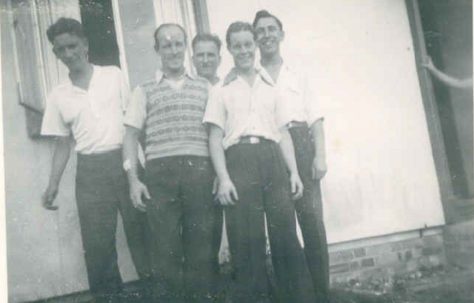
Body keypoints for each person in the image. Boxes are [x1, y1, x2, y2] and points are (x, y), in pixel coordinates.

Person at [204, 21, 316, 303]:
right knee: (246, 241)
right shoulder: (221, 89)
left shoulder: (270, 85)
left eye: (247, 44)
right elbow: (215, 138)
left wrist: (293, 173)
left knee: (286, 237)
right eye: (237, 45)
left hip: (271, 160)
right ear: (229, 49)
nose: (243, 50)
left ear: (254, 45)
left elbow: (282, 133)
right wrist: (225, 177)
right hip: (239, 160)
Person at [41, 17, 151, 302]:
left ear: (85, 45)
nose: (68, 54)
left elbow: (134, 125)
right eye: (61, 50)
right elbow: (62, 143)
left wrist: (143, 167)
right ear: (55, 54)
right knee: (98, 246)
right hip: (89, 172)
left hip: (125, 164)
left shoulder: (113, 75)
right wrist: (52, 184)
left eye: (73, 46)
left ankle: (157, 295)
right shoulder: (58, 95)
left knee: (143, 236)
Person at [123, 23, 218, 302]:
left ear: (185, 47)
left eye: (178, 44)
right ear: (157, 50)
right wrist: (133, 180)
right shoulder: (144, 90)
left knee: (201, 249)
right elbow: (129, 137)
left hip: (199, 172)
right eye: (167, 45)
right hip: (159, 175)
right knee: (165, 251)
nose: (174, 50)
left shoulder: (205, 88)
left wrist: (216, 172)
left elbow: (215, 134)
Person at [252, 10, 330, 302]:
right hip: (270, 148)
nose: (267, 35)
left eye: (272, 29)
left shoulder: (298, 73)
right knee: (281, 227)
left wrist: (319, 156)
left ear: (281, 35)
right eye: (260, 31)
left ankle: (322, 295)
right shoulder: (250, 75)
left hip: (300, 142)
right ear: (255, 38)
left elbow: (316, 119)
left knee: (311, 221)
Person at [192, 33, 227, 275]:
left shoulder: (227, 86)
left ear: (219, 58)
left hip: (229, 166)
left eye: (210, 55)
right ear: (192, 58)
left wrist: (222, 171)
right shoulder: (188, 88)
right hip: (199, 169)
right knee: (205, 235)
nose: (205, 60)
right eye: (200, 55)